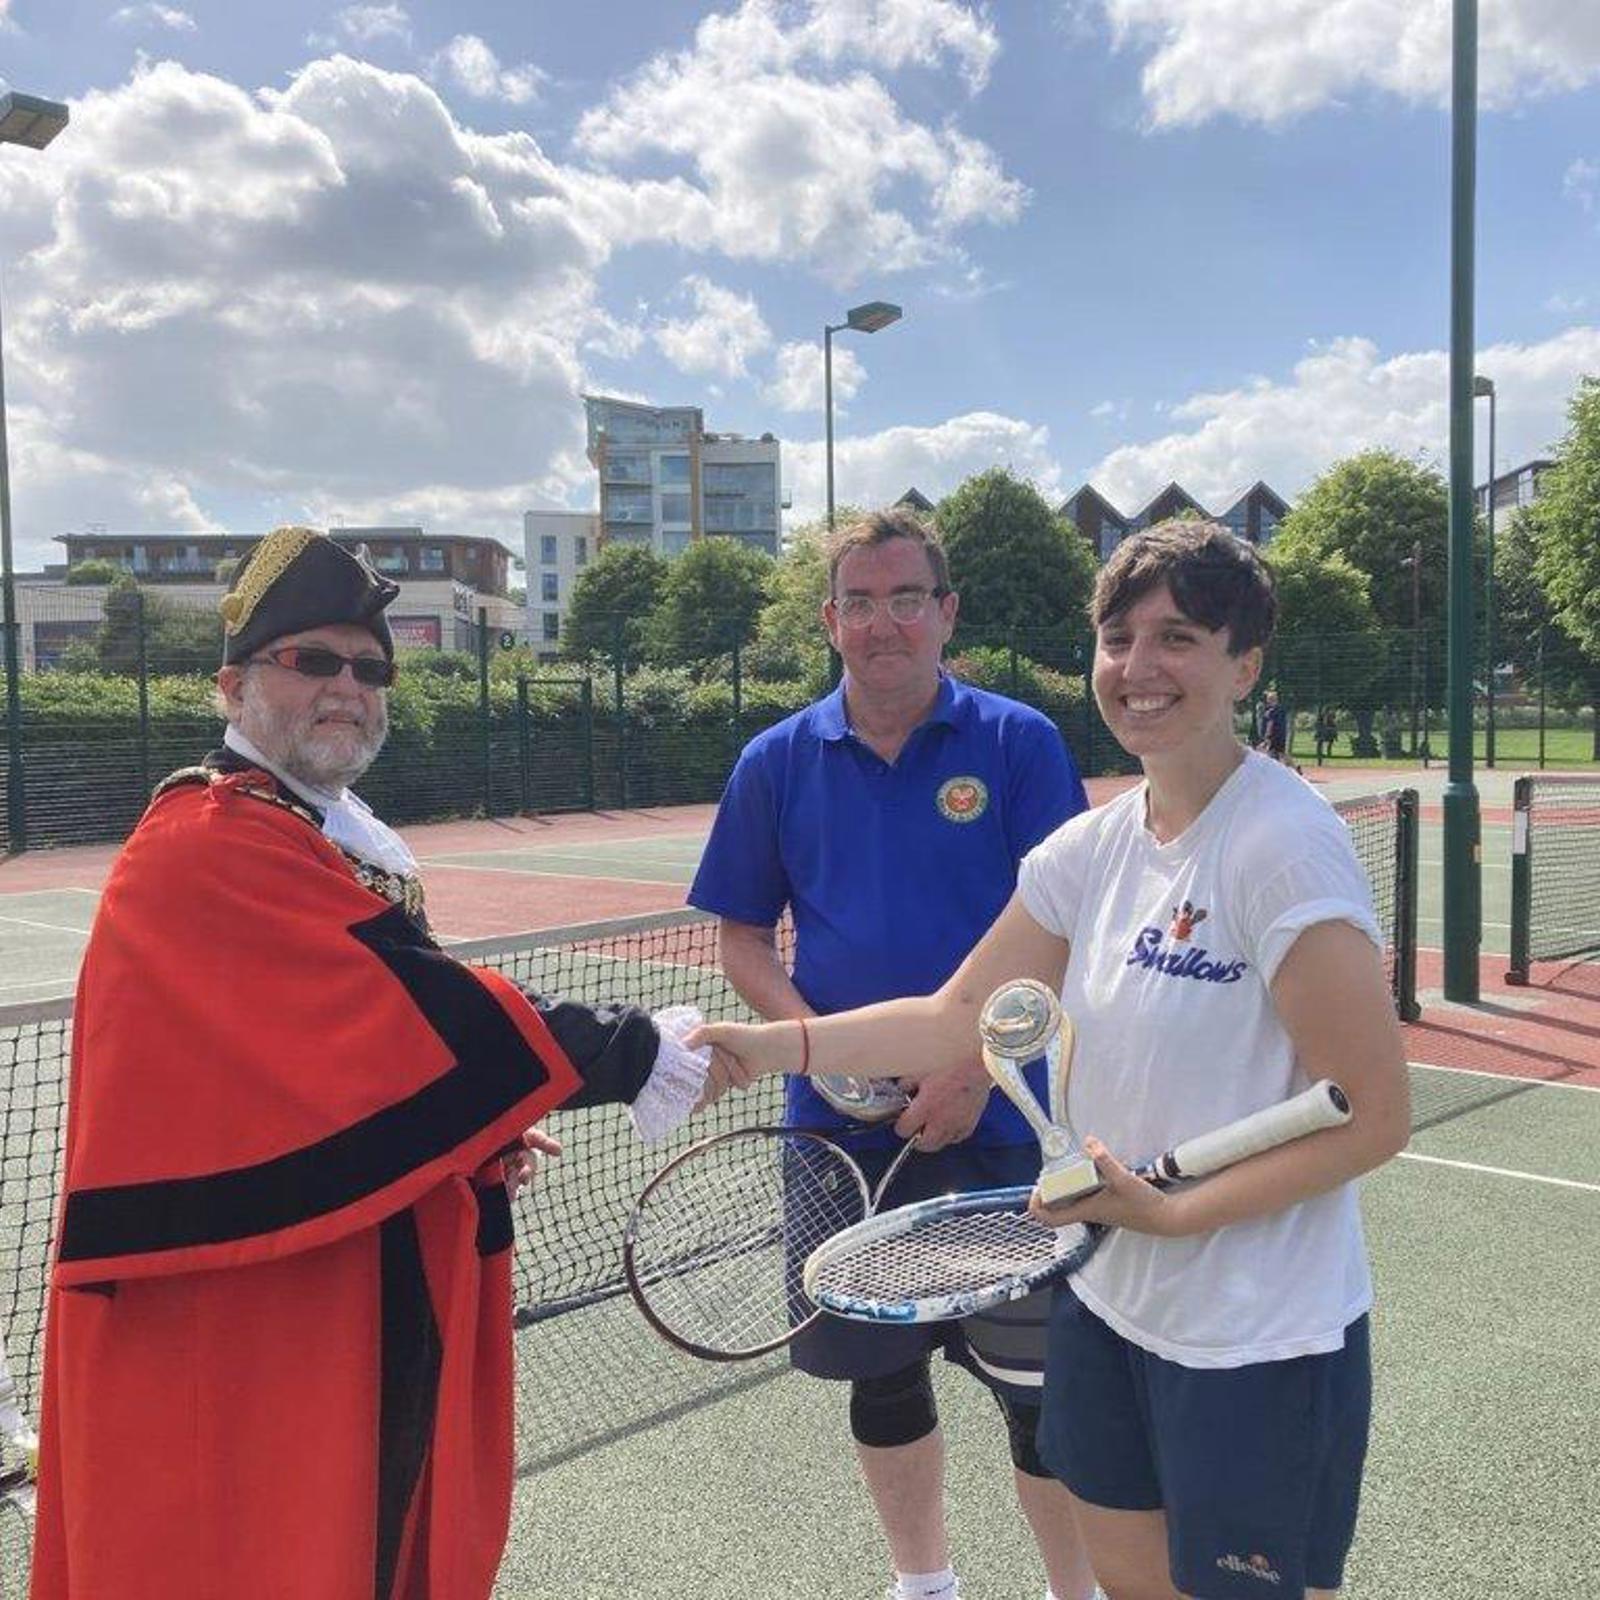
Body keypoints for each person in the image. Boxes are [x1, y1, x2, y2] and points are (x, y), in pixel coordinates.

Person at [695, 520, 1411, 1600]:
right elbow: (958, 1014)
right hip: (1111, 1304)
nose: (1138, 668)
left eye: (1176, 637)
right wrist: (768, 1043)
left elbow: (1370, 1115)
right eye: (1118, 637)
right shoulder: (1097, 848)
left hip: (1252, 1335)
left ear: (1244, 662)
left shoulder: (1281, 843)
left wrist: (1171, 1213)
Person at [30, 528, 714, 1600]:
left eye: (370, 667)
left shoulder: (315, 831)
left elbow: (350, 1060)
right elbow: (412, 1005)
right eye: (313, 660)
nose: (348, 686)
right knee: (251, 1552)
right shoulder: (207, 841)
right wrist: (635, 1051)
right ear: (234, 684)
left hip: (320, 1274)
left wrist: (473, 1120)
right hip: (236, 1315)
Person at [688, 507, 1099, 1600]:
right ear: (828, 620)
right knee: (879, 1382)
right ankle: (926, 1585)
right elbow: (739, 935)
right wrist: (819, 1060)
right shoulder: (774, 760)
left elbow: (1064, 930)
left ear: (945, 612)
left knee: (1043, 1395)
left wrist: (970, 1070)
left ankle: (1076, 1592)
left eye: (905, 598)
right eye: (859, 602)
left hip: (1008, 1124)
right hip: (841, 1140)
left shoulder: (1019, 743)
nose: (882, 623)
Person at [1257, 686, 1290, 763]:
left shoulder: (1270, 712)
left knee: (1269, 752)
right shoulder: (1281, 710)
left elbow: (1270, 724)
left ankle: (1272, 768)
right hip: (1282, 735)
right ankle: (1295, 768)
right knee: (1282, 753)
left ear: (1269, 700)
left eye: (1268, 699)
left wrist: (1267, 736)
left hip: (1273, 736)